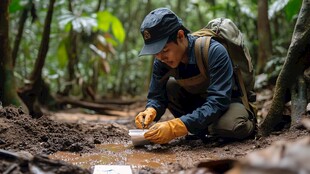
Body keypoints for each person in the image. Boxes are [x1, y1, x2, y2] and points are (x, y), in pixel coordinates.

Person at [135, 7, 255, 145]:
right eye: (155, 53)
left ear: (180, 36)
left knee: (232, 126)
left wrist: (176, 127)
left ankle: (246, 122)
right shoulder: (161, 61)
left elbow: (218, 101)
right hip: (199, 104)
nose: (160, 57)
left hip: (227, 103)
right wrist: (151, 109)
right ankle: (202, 128)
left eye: (164, 50)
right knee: (170, 87)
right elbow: (157, 96)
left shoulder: (214, 51)